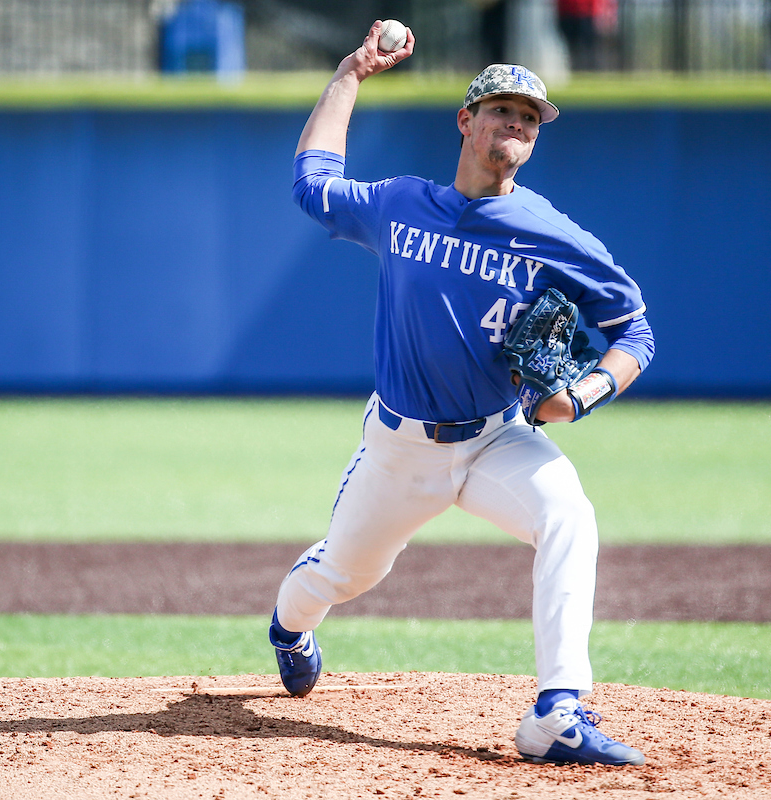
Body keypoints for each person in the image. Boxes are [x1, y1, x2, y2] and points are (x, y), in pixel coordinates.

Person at [269, 20, 655, 768]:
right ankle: (288, 628)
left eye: (530, 118)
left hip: (495, 436)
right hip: (399, 450)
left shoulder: (552, 234)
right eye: (503, 110)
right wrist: (350, 72)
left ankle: (558, 711)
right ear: (466, 121)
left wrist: (582, 394)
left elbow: (635, 331)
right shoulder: (401, 203)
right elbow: (311, 182)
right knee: (345, 574)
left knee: (568, 515)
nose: (516, 124)